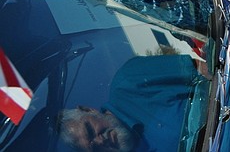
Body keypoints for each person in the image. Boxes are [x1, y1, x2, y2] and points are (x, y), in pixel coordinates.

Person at [59, 54, 206, 152]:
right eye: (93, 148)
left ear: (88, 110)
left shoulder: (129, 80)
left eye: (90, 130)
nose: (100, 141)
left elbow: (205, 71)